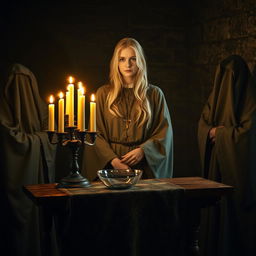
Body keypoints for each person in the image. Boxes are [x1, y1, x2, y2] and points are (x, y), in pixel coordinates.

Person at [82, 37, 173, 180]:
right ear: (115, 63)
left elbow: (164, 133)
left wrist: (143, 151)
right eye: (122, 59)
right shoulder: (103, 94)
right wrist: (113, 161)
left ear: (140, 61)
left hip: (143, 168)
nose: (128, 64)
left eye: (133, 59)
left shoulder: (154, 94)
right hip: (110, 169)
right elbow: (95, 134)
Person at [197, 55, 256, 256]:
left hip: (237, 171)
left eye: (232, 78)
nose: (227, 85)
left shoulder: (250, 102)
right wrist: (212, 132)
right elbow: (203, 125)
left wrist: (220, 134)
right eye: (223, 78)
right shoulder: (214, 99)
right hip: (216, 166)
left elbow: (248, 134)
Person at [0, 63, 58, 256]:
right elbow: (13, 143)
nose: (21, 93)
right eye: (16, 85)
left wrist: (44, 137)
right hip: (17, 186)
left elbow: (53, 136)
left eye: (26, 85)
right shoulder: (3, 116)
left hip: (40, 181)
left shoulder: (42, 111)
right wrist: (41, 138)